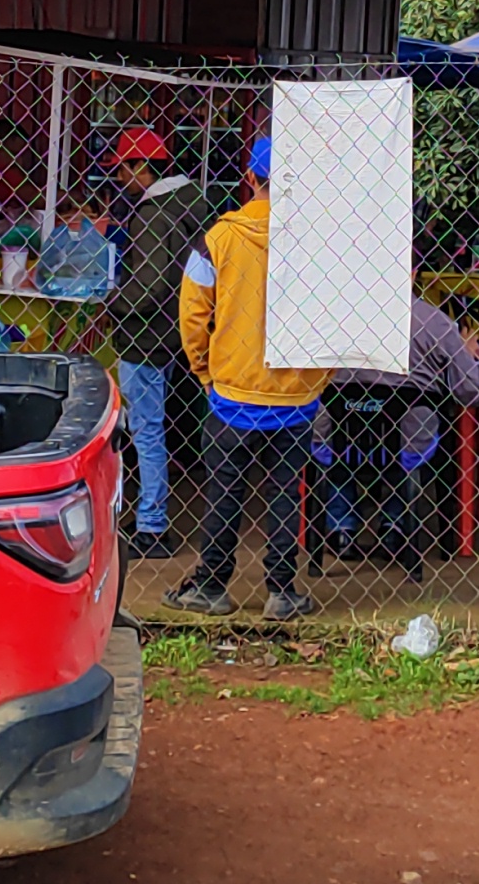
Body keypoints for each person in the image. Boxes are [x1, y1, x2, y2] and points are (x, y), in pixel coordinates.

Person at [170, 135, 331, 620]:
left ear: (251, 180)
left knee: (224, 488)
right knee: (285, 490)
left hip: (232, 388)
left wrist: (204, 368)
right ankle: (282, 590)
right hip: (298, 389)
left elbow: (193, 314)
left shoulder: (218, 237)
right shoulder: (319, 240)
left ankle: (212, 584)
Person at [312, 295, 479, 563]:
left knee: (339, 436)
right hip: (407, 445)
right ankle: (393, 528)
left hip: (336, 441)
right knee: (406, 439)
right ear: (413, 272)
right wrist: (467, 356)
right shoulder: (434, 322)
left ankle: (341, 529)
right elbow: (473, 393)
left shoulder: (331, 315)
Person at [104, 128, 207, 559]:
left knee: (146, 431)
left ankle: (151, 525)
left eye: (123, 171)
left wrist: (110, 302)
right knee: (162, 427)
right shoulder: (195, 203)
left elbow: (146, 284)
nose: (121, 181)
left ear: (140, 168)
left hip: (144, 336)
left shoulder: (151, 214)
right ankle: (151, 514)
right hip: (181, 331)